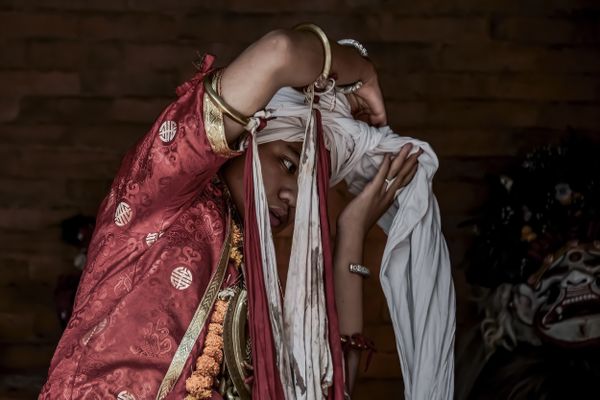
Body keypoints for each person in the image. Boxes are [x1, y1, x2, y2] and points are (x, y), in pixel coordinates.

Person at [40, 24, 454, 400]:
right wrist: (361, 71)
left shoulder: (258, 282)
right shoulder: (162, 189)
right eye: (290, 164)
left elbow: (327, 390)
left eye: (312, 187)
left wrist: (350, 238)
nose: (296, 196)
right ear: (251, 134)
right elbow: (278, 53)